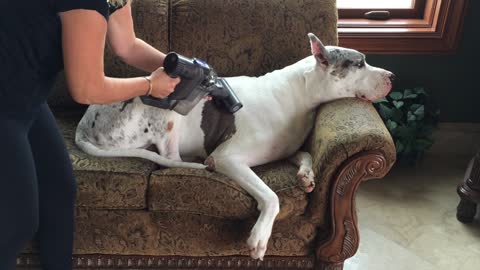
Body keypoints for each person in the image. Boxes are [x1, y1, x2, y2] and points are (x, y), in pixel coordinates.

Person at [0, 0, 180, 269]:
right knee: (17, 222)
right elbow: (86, 88)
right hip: (5, 102)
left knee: (59, 191)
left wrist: (181, 71)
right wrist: (149, 85)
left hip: (26, 98)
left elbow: (127, 46)